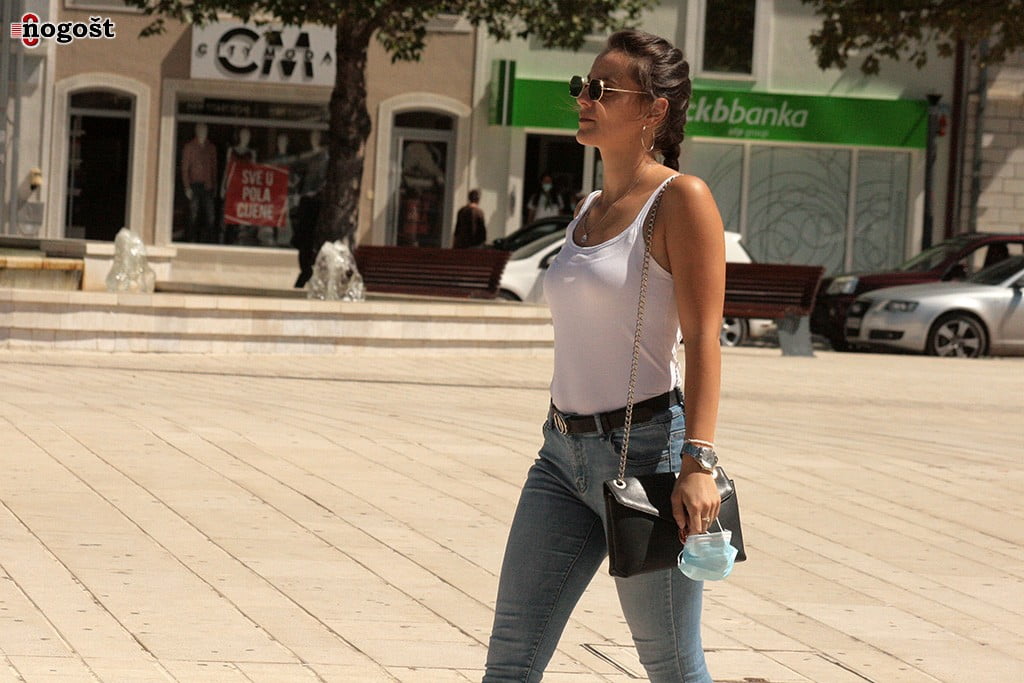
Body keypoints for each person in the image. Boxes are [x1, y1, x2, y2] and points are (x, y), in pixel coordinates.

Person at [483, 30, 726, 683]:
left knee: (672, 664)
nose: (583, 100)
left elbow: (704, 339)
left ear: (655, 110)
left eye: (601, 89)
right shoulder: (589, 207)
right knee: (510, 657)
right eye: (581, 87)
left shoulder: (682, 199)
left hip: (645, 456)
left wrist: (698, 463)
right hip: (560, 456)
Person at [180, 122, 218, 243]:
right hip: (194, 184)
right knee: (193, 214)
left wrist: (215, 186)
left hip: (208, 185)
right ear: (196, 131)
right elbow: (185, 168)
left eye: (205, 130)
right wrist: (187, 187)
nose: (203, 133)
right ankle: (191, 240)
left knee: (210, 215)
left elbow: (214, 168)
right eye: (201, 130)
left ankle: (208, 241)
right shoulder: (190, 147)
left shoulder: (211, 147)